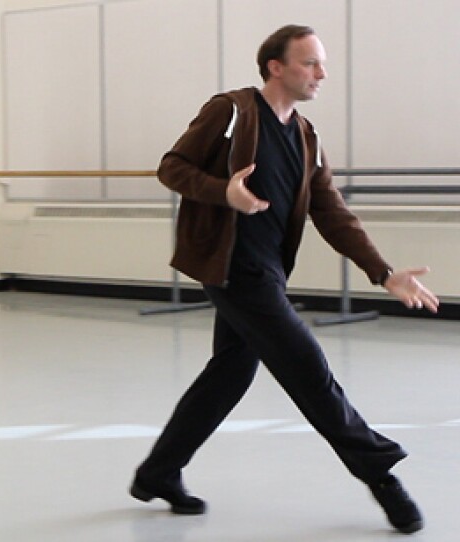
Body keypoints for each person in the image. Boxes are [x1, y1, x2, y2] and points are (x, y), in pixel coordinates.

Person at [130, 25, 438, 535]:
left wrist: (382, 271)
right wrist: (221, 193)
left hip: (267, 271)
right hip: (232, 270)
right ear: (276, 67)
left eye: (320, 63)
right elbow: (171, 167)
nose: (321, 73)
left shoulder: (305, 134)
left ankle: (157, 473)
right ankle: (381, 475)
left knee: (229, 374)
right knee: (309, 371)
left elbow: (331, 211)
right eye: (310, 63)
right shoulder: (230, 111)